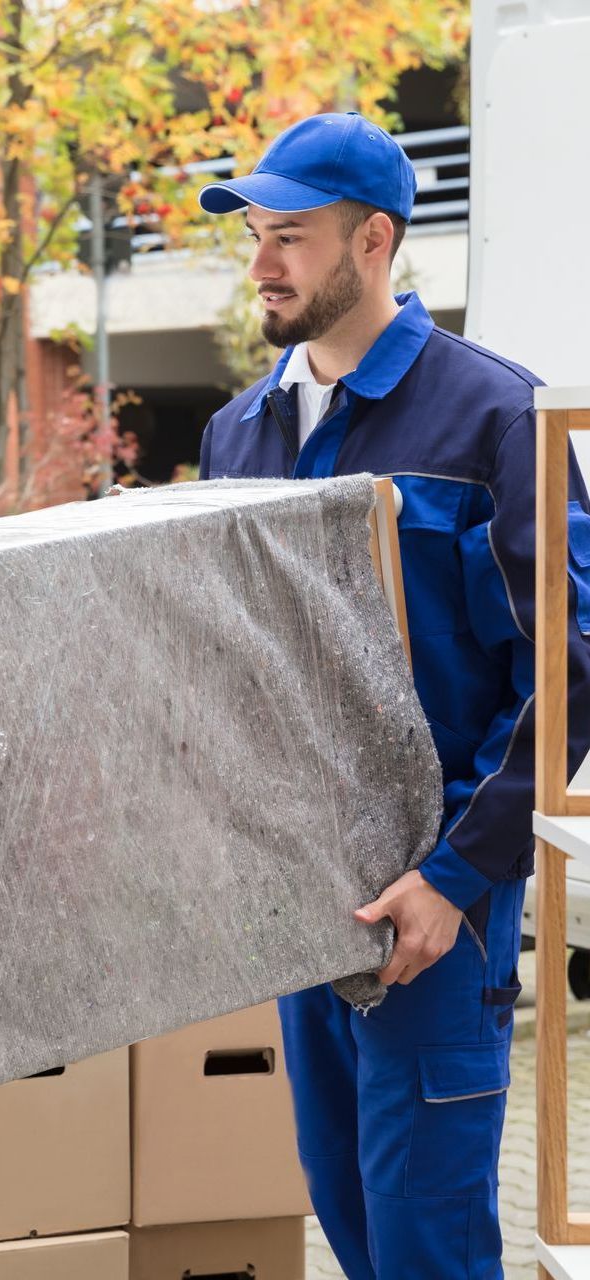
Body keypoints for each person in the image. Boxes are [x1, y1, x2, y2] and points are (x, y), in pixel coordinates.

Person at [197, 112, 590, 1278]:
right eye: (256, 237)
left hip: (433, 914)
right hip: (298, 908)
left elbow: (568, 670)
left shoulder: (491, 418)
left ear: (373, 241)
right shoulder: (237, 432)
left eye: (292, 239)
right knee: (351, 1223)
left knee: (424, 1244)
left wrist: (454, 876)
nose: (262, 264)